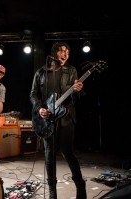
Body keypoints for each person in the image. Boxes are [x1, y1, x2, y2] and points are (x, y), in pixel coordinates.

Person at [30, 42, 87, 199]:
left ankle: (80, 186)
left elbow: (74, 98)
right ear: (54, 53)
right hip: (47, 119)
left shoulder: (71, 70)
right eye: (62, 51)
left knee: (68, 152)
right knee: (49, 155)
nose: (66, 54)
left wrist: (77, 91)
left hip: (66, 117)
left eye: (68, 52)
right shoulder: (41, 72)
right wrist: (39, 108)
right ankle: (52, 192)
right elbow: (34, 94)